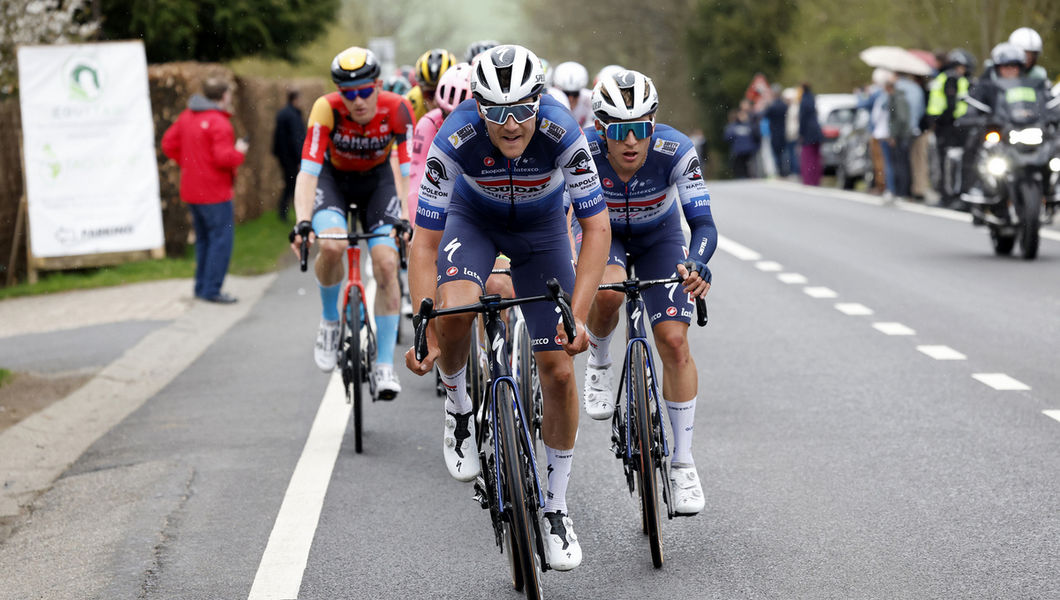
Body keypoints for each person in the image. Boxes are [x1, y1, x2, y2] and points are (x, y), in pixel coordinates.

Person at [404, 44, 610, 571]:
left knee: (559, 371)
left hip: (542, 232)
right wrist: (423, 324)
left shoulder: (565, 133)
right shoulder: (455, 137)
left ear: (540, 100)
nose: (512, 124)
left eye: (522, 108)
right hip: (473, 223)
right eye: (497, 111)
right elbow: (424, 245)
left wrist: (579, 315)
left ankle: (556, 507)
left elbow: (596, 228)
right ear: (479, 106)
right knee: (455, 312)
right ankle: (458, 406)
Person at [578, 69, 715, 516]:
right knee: (611, 293)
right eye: (620, 131)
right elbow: (563, 223)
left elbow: (704, 225)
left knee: (674, 341)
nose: (632, 142)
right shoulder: (581, 152)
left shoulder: (676, 149)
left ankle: (683, 461)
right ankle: (599, 359)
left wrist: (697, 262)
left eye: (641, 129)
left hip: (660, 239)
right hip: (604, 235)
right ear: (601, 129)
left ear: (653, 125)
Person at [287, 47, 414, 398]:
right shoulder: (326, 108)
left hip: (378, 183)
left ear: (377, 85)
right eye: (348, 93)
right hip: (333, 181)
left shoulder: (398, 108)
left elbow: (406, 173)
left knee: (388, 263)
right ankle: (330, 321)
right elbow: (309, 171)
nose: (357, 101)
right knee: (331, 244)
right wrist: (302, 221)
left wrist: (406, 217)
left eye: (364, 91)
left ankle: (385, 365)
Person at [161, 77, 247, 304]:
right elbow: (224, 158)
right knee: (220, 240)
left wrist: (189, 163)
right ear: (224, 96)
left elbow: (168, 144)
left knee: (203, 240)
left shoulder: (187, 116)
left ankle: (201, 287)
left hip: (192, 190)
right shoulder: (219, 122)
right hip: (215, 192)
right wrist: (240, 151)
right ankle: (212, 290)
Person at [927, 49, 975, 205]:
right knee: (946, 161)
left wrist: (939, 121)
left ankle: (949, 196)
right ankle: (949, 195)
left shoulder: (951, 79)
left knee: (947, 162)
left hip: (950, 127)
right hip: (951, 126)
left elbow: (950, 106)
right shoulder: (950, 78)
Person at [272, 89, 306, 222]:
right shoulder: (293, 116)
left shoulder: (283, 113)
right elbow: (296, 138)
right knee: (292, 186)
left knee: (289, 185)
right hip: (291, 158)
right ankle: (288, 213)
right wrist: (299, 159)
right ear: (295, 99)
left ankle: (284, 212)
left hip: (284, 156)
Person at [405, 48, 457, 123]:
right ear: (420, 89)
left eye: (443, 93)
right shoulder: (412, 102)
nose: (436, 102)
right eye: (430, 94)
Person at [885, 74, 913, 199]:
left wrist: (894, 135)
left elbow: (901, 119)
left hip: (901, 136)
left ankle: (902, 191)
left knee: (901, 164)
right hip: (901, 135)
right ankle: (901, 190)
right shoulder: (896, 97)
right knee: (900, 163)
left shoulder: (898, 99)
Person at [552, 61, 594, 127]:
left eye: (575, 94)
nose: (570, 98)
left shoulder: (591, 99)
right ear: (557, 89)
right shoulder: (551, 97)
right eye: (566, 94)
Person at [798, 83, 823, 186]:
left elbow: (802, 119)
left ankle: (808, 180)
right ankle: (816, 179)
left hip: (808, 133)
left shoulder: (803, 101)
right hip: (816, 131)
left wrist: (801, 133)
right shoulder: (812, 99)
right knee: (816, 158)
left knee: (808, 157)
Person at [724, 107, 759, 178]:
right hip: (739, 151)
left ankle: (750, 177)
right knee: (739, 167)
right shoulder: (734, 126)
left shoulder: (751, 125)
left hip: (749, 151)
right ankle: (741, 177)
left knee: (749, 167)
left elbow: (757, 136)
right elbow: (727, 137)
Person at [764, 84, 789, 176]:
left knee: (776, 153)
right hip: (783, 131)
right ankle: (785, 171)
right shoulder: (784, 105)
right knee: (784, 152)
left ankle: (780, 170)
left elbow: (765, 115)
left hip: (774, 132)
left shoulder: (772, 106)